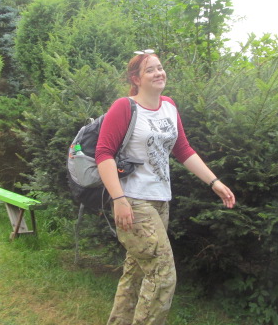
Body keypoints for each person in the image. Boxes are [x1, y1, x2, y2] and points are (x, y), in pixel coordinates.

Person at [96, 50, 235, 325]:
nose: (159, 73)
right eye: (150, 70)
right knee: (162, 276)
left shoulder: (169, 106)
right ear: (136, 79)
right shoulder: (125, 107)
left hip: (160, 200)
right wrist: (118, 198)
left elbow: (182, 149)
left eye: (160, 67)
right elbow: (103, 153)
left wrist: (214, 182)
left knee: (136, 272)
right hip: (133, 200)